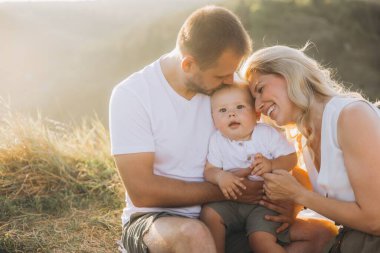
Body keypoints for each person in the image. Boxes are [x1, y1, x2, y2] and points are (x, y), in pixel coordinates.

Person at [109, 5, 335, 253]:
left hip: (235, 217)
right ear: (188, 65)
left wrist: (289, 204)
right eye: (221, 76)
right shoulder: (132, 96)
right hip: (158, 220)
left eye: (233, 72)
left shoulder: (232, 91)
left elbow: (280, 151)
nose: (232, 81)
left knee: (322, 235)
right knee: (194, 235)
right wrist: (227, 191)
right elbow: (143, 193)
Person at [241, 44, 380, 253]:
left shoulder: (351, 115)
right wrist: (292, 208)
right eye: (253, 100)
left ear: (289, 73)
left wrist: (299, 196)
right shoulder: (302, 141)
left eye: (260, 90)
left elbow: (376, 219)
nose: (258, 106)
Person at [200, 83, 300, 253]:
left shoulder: (266, 134)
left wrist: (271, 165)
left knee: (260, 240)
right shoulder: (217, 140)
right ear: (213, 119)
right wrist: (220, 177)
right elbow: (210, 170)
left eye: (240, 107)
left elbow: (291, 157)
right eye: (222, 111)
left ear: (256, 114)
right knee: (209, 214)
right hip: (231, 202)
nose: (231, 113)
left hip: (265, 202)